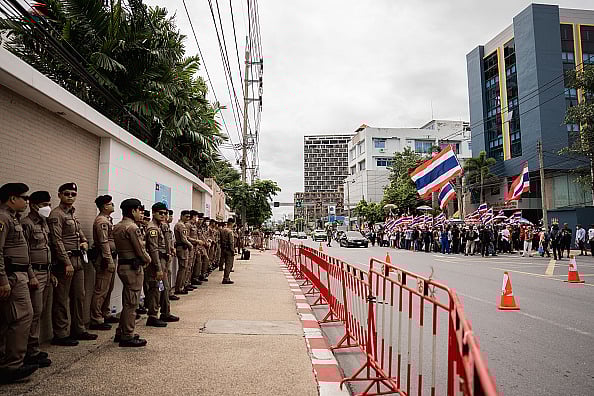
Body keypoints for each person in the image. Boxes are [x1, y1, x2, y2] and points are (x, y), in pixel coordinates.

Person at [48, 183, 97, 346]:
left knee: (79, 296)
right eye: (67, 193)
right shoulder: (57, 214)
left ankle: (79, 329)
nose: (70, 196)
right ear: (60, 195)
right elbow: (56, 240)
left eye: (73, 194)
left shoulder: (72, 215)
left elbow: (80, 235)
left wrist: (84, 242)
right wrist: (66, 263)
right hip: (66, 262)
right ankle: (61, 334)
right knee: (62, 299)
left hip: (78, 261)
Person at [0, 183, 38, 383]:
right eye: (25, 197)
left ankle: (7, 360)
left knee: (10, 319)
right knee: (23, 316)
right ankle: (12, 365)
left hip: (20, 274)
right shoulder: (3, 218)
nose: (27, 201)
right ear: (12, 198)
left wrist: (30, 274)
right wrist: (3, 280)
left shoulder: (13, 218)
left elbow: (23, 251)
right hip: (12, 276)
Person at [21, 191, 53, 368]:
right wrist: (31, 275)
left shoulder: (44, 223)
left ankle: (33, 348)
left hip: (46, 272)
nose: (47, 208)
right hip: (34, 274)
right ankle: (28, 352)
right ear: (34, 206)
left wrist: (52, 272)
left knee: (39, 312)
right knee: (32, 313)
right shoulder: (26, 224)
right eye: (44, 205)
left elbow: (47, 249)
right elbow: (24, 252)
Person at [112, 198, 150, 347]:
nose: (141, 213)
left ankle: (121, 331)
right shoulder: (132, 228)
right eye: (139, 210)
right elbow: (140, 250)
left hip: (123, 265)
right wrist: (148, 259)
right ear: (133, 211)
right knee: (131, 303)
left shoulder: (118, 226)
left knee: (127, 300)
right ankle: (128, 335)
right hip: (133, 267)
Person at [145, 202, 178, 327]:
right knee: (155, 289)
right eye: (161, 213)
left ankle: (165, 312)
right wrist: (158, 268)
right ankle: (152, 316)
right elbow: (154, 250)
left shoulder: (160, 226)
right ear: (154, 213)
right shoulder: (153, 228)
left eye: (165, 213)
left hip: (163, 261)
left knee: (164, 288)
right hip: (156, 262)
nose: (163, 215)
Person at [89, 195, 118, 331]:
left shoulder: (107, 220)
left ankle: (105, 313)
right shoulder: (102, 221)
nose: (113, 206)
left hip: (111, 257)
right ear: (105, 206)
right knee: (101, 289)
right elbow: (103, 242)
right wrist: (109, 260)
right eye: (111, 204)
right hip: (104, 259)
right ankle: (96, 318)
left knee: (108, 288)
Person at [174, 210, 192, 295]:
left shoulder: (181, 225)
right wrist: (190, 245)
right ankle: (179, 287)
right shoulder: (181, 225)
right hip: (182, 248)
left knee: (183, 268)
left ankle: (181, 286)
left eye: (189, 217)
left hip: (181, 248)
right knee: (183, 268)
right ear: (182, 216)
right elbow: (184, 239)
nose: (188, 218)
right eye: (186, 216)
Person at [163, 210, 179, 301]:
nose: (171, 218)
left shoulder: (167, 226)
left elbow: (169, 241)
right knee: (165, 274)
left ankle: (168, 292)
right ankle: (166, 294)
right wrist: (169, 251)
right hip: (165, 255)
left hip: (168, 253)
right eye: (170, 216)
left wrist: (172, 248)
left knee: (168, 274)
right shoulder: (163, 226)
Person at [220, 218, 236, 284]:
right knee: (228, 264)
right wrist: (233, 250)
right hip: (229, 249)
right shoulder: (230, 231)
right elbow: (231, 242)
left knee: (224, 261)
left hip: (223, 248)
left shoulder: (222, 230)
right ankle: (226, 278)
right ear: (232, 223)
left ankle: (226, 277)